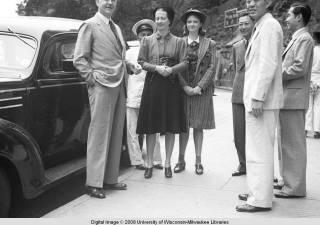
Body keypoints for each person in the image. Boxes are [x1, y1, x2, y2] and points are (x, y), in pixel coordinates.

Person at [73, 0, 141, 199]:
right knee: (99, 133)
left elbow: (117, 58)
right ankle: (93, 182)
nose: (110, 2)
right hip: (101, 85)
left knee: (115, 133)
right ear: (97, 2)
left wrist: (128, 65)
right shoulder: (89, 25)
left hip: (119, 84)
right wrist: (91, 79)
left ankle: (110, 179)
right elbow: (79, 58)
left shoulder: (116, 27)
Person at [236, 0, 283, 212]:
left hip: (261, 101)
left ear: (269, 2)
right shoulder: (262, 25)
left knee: (259, 151)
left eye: (256, 0)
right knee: (257, 149)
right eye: (248, 1)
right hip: (258, 100)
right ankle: (259, 191)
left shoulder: (270, 26)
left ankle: (260, 199)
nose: (251, 3)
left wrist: (258, 97)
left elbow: (268, 63)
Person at [136, 6, 188, 179]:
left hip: (172, 87)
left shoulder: (180, 41)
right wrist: (157, 68)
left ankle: (167, 163)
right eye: (157, 18)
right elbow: (141, 62)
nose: (159, 21)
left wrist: (171, 70)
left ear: (170, 20)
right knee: (151, 127)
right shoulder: (147, 40)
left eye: (162, 18)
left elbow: (186, 62)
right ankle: (149, 163)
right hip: (153, 85)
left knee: (171, 126)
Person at [275, 3, 314, 199]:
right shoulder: (298, 38)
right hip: (289, 98)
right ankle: (287, 181)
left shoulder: (304, 39)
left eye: (289, 15)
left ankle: (295, 187)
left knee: (293, 145)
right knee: (286, 143)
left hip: (294, 98)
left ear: (299, 17)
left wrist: (277, 73)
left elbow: (299, 68)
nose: (286, 18)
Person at [173, 9, 216, 175]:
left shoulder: (210, 43)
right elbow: (176, 67)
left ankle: (198, 161)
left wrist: (199, 87)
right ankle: (180, 160)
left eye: (195, 22)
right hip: (183, 90)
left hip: (201, 91)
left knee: (199, 126)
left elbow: (212, 67)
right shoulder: (179, 42)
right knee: (183, 127)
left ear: (200, 24)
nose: (192, 24)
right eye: (189, 21)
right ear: (186, 24)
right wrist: (185, 86)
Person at [126, 19, 163, 170]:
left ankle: (156, 159)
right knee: (132, 130)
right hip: (133, 94)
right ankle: (136, 160)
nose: (145, 37)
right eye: (142, 34)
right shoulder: (129, 53)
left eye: (148, 34)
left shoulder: (157, 52)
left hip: (151, 95)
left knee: (153, 129)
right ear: (138, 36)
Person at [230, 12, 254, 177]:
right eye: (241, 24)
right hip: (238, 93)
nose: (243, 27)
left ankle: (259, 166)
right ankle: (242, 163)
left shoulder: (260, 42)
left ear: (254, 24)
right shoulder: (236, 46)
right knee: (239, 133)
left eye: (246, 23)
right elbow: (235, 69)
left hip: (255, 93)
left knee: (257, 133)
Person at [305, 24, 320, 139]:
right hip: (319, 79)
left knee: (309, 105)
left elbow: (306, 66)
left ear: (314, 39)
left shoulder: (312, 51)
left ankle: (306, 128)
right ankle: (317, 130)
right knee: (318, 105)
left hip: (310, 78)